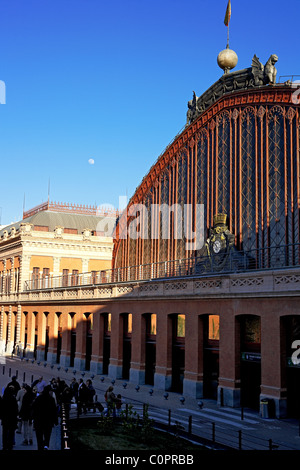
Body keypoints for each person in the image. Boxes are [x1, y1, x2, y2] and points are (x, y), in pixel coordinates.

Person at [32, 385, 58, 450]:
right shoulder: (51, 399)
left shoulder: (38, 398)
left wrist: (33, 418)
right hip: (48, 421)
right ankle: (46, 445)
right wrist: (55, 421)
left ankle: (40, 447)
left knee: (39, 436)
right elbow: (54, 411)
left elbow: (34, 409)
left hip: (39, 421)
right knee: (47, 435)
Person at [0, 386, 18, 450]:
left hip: (5, 419)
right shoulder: (13, 399)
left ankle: (4, 445)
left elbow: (1, 409)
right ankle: (10, 445)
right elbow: (16, 410)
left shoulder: (3, 399)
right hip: (12, 419)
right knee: (11, 433)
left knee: (4, 433)